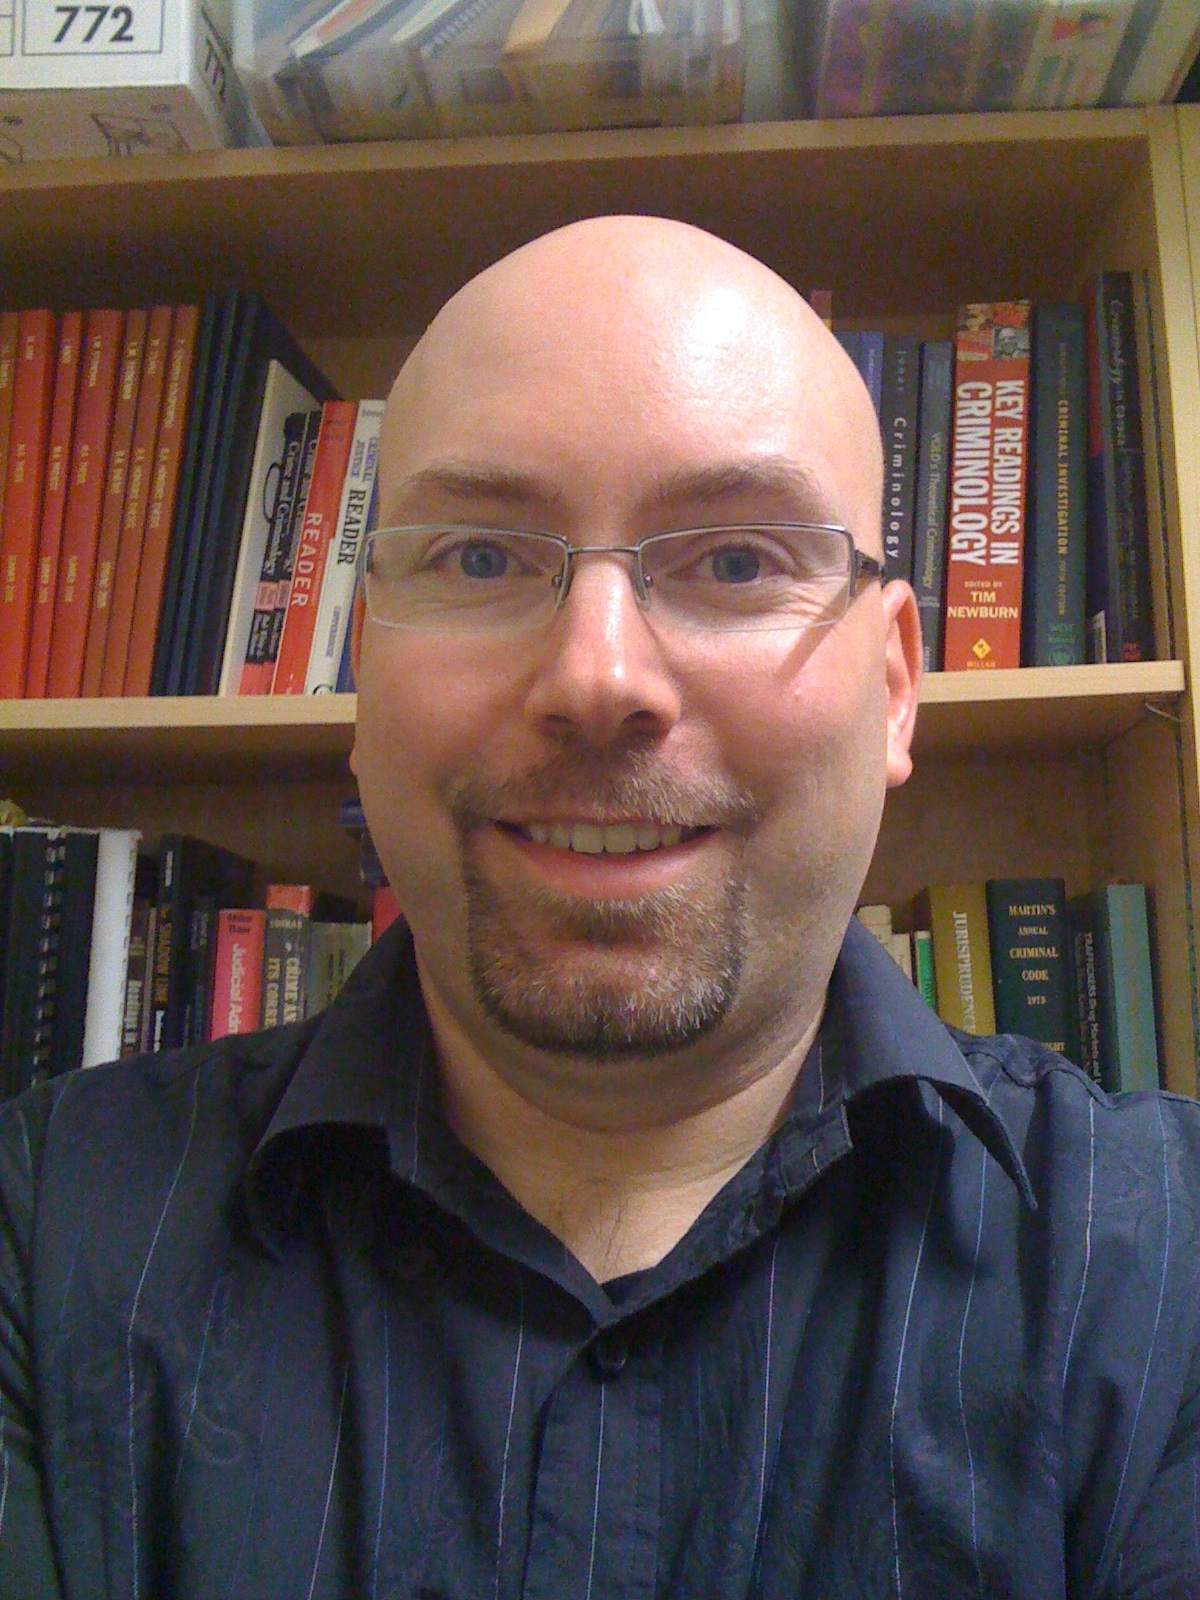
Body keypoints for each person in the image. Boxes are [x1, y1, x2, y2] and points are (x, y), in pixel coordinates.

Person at [3, 216, 1199, 1600]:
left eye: (736, 562)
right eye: (480, 559)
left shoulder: (1169, 1265)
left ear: (893, 688)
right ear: (363, 672)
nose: (597, 676)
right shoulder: (46, 1231)